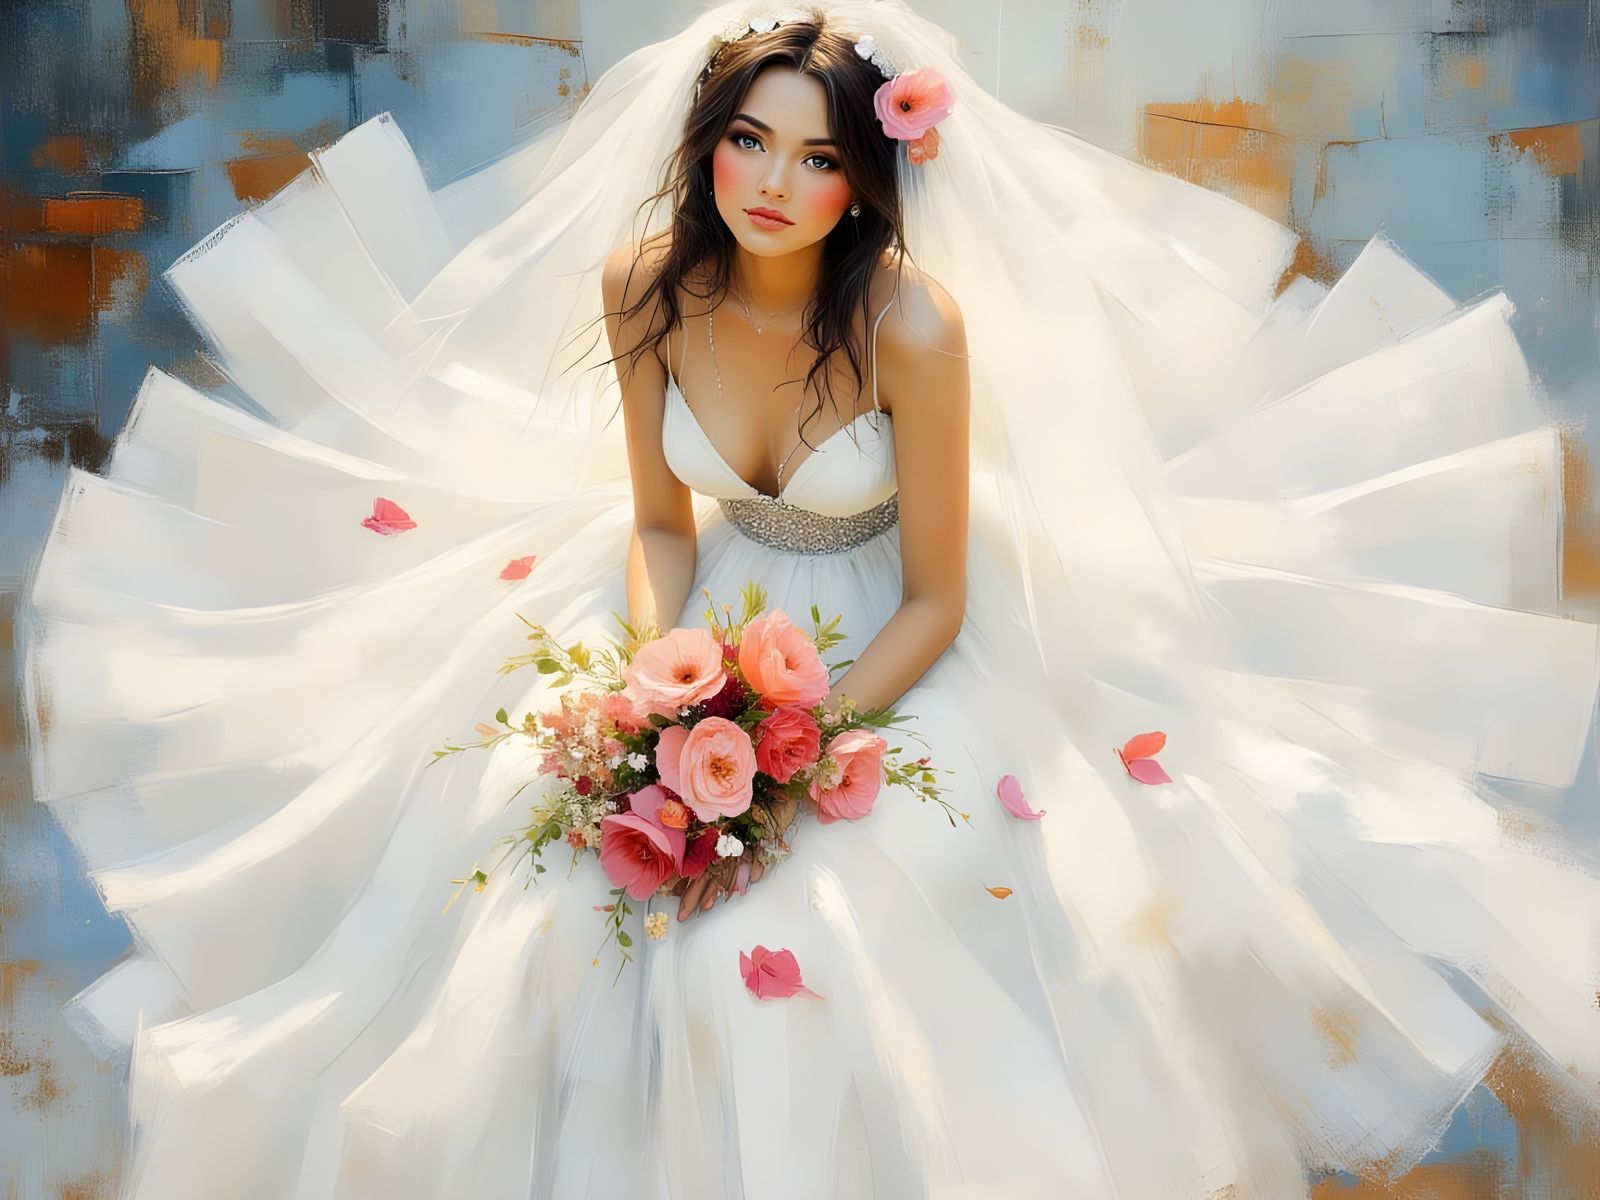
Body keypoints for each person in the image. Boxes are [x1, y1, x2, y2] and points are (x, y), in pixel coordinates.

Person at [16, 2, 1600, 1197]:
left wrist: (786, 744)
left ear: (872, 180)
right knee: (534, 884)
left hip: (885, 645)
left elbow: (937, 590)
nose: (775, 181)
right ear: (706, 141)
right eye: (750, 140)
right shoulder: (645, 285)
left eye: (823, 154)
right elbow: (654, 517)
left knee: (837, 936)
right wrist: (665, 681)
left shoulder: (916, 327)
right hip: (705, 617)